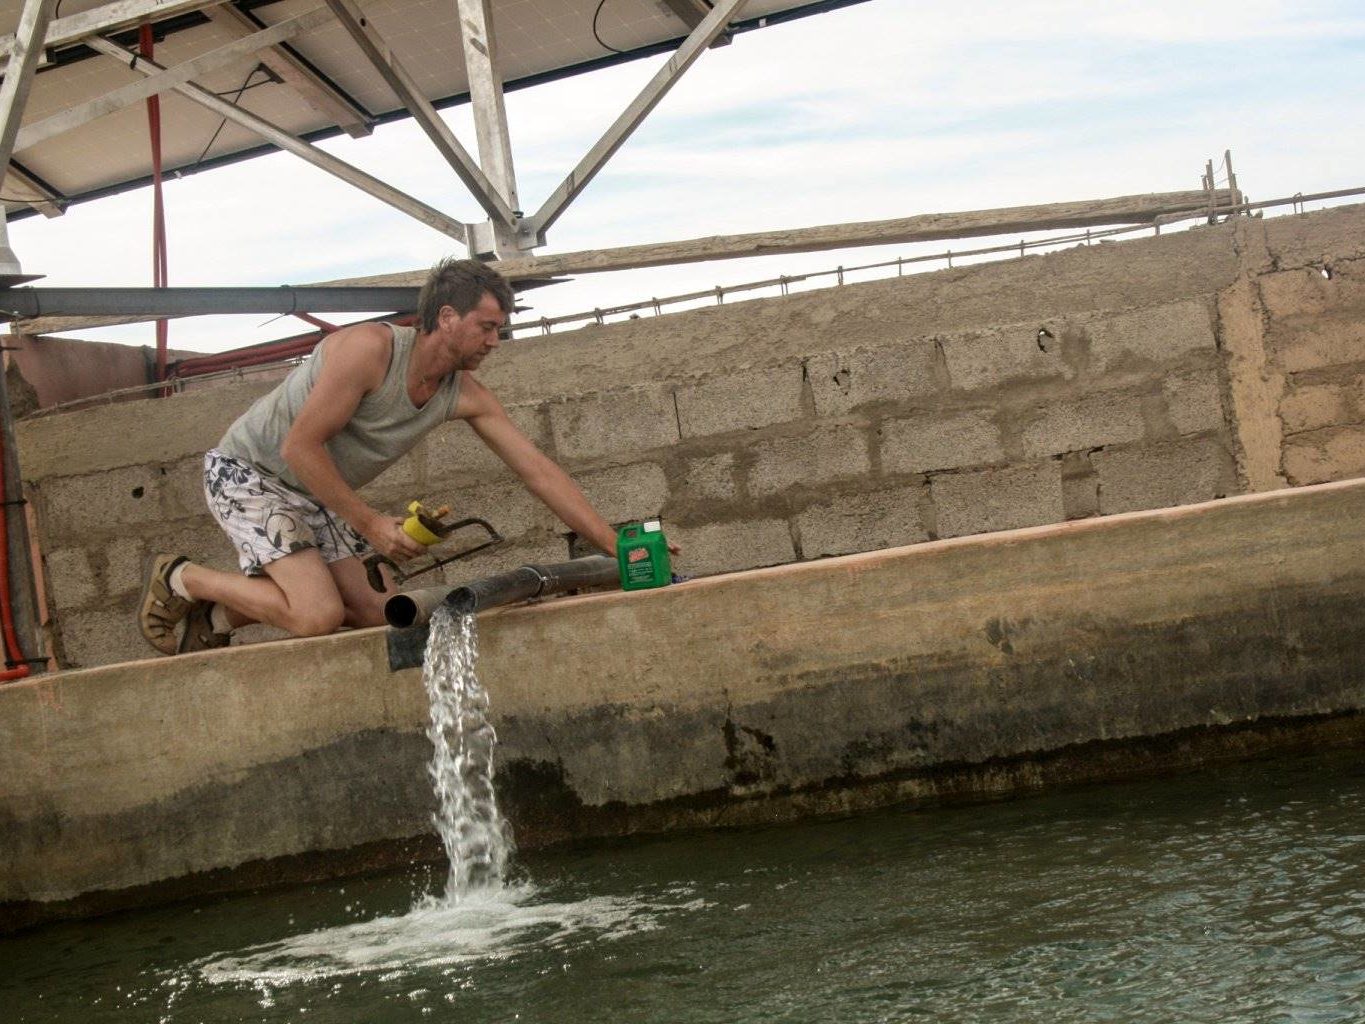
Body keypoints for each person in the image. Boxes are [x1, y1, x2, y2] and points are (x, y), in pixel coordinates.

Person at [137, 258, 622, 655]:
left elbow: (538, 472)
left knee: (378, 612)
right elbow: (299, 448)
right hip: (251, 475)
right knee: (317, 615)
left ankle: (217, 617)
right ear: (448, 317)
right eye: (487, 327)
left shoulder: (463, 393)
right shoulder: (370, 349)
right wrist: (370, 525)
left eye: (500, 329)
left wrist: (614, 546)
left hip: (315, 489)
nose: (496, 341)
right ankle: (184, 576)